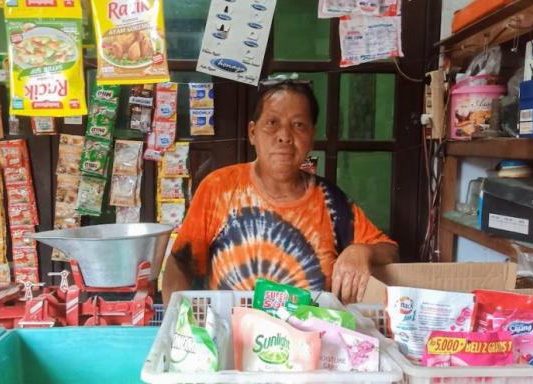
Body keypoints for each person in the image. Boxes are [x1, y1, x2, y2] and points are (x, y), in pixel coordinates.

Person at [162, 79, 399, 305]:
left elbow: (390, 252)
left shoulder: (331, 202)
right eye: (272, 123)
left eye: (298, 125)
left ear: (311, 137)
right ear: (253, 133)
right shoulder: (219, 188)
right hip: (230, 340)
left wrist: (362, 251)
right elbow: (181, 263)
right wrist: (180, 324)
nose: (284, 136)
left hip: (308, 340)